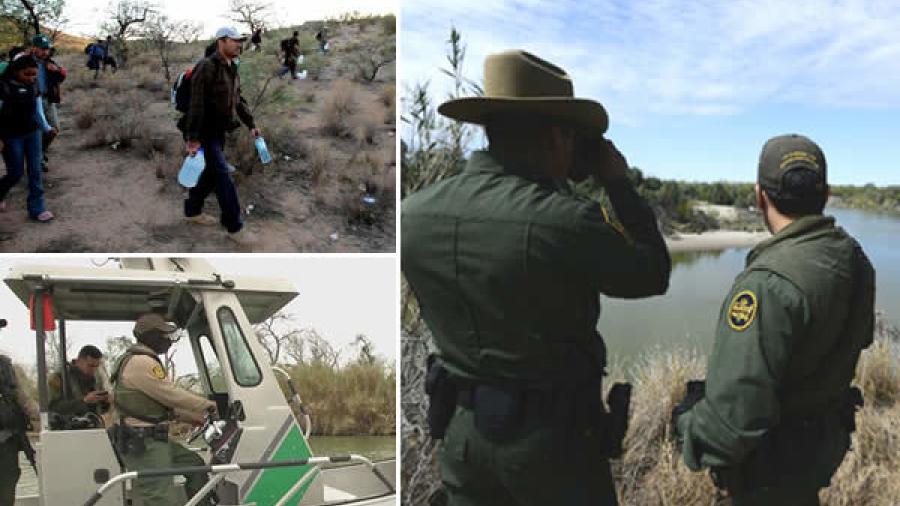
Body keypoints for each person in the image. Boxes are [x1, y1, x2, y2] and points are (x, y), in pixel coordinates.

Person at [402, 50, 671, 506]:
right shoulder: (564, 221)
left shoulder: (416, 213)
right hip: (552, 447)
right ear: (556, 134)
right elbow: (652, 274)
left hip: (462, 437)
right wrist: (617, 183)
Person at [673, 134, 875, 506]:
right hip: (814, 457)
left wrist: (685, 424)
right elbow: (854, 342)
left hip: (768, 478)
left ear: (759, 196)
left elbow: (732, 426)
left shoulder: (766, 285)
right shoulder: (855, 260)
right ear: (825, 193)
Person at [111, 313, 218, 506]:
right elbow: (170, 394)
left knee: (195, 466)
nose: (168, 340)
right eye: (163, 335)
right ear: (151, 336)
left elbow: (156, 407)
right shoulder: (142, 362)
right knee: (160, 498)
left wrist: (192, 417)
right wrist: (208, 405)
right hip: (144, 442)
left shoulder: (135, 360)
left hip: (153, 438)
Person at [182, 26, 260, 246]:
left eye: (241, 41)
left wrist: (251, 124)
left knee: (208, 175)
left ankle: (192, 211)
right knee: (223, 175)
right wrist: (193, 138)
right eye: (235, 40)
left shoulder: (231, 67)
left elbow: (238, 100)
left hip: (218, 131)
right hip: (204, 133)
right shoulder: (206, 66)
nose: (239, 44)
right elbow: (195, 104)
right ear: (222, 41)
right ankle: (234, 227)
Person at [0, 54, 56, 222]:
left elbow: (37, 111)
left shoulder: (34, 86)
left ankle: (37, 207)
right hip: (10, 136)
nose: (31, 78)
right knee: (15, 173)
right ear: (16, 71)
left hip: (32, 133)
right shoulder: (4, 87)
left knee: (35, 171)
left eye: (34, 74)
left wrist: (47, 128)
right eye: (27, 74)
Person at [23, 34, 65, 173]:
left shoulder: (49, 62)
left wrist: (57, 70)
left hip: (47, 100)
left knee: (54, 128)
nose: (45, 51)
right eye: (42, 49)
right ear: (34, 48)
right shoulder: (25, 61)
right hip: (31, 101)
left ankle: (39, 152)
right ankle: (37, 159)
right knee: (38, 130)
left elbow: (62, 75)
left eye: (47, 49)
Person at [0, 352, 37, 506]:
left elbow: (18, 395)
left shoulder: (4, 365)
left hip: (7, 439)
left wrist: (39, 416)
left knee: (7, 485)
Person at [48, 345, 110, 417]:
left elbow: (98, 410)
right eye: (91, 365)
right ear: (79, 361)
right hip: (67, 426)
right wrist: (84, 401)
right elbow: (53, 408)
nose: (94, 370)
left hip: (92, 425)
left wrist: (105, 402)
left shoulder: (94, 380)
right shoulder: (59, 378)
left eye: (97, 366)